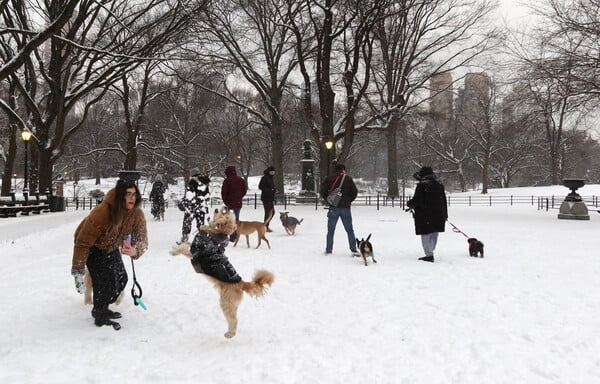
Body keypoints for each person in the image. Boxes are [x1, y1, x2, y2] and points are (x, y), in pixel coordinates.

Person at [70, 179, 148, 329]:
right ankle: (100, 314)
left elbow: (143, 240)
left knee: (121, 279)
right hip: (92, 246)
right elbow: (83, 242)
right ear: (120, 196)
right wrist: (78, 270)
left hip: (111, 245)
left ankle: (103, 306)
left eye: (134, 194)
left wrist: (136, 250)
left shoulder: (137, 214)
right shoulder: (103, 211)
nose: (132, 198)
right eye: (128, 194)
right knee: (103, 282)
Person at [406, 166, 448, 263]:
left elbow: (418, 200)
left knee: (426, 234)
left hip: (425, 215)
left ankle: (429, 255)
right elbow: (443, 201)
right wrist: (445, 215)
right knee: (434, 233)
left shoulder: (422, 186)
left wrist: (410, 203)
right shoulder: (439, 185)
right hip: (438, 214)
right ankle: (430, 251)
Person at [319, 163, 359, 255]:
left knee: (330, 230)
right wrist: (348, 200)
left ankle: (329, 249)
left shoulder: (329, 179)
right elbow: (354, 192)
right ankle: (353, 248)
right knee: (349, 229)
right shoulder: (348, 179)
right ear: (343, 170)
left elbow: (323, 191)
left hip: (334, 207)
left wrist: (329, 200)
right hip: (345, 207)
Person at [178, 171, 211, 244]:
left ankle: (185, 238)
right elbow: (207, 195)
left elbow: (189, 194)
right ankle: (202, 239)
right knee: (200, 223)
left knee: (187, 222)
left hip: (191, 207)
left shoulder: (192, 181)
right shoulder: (204, 182)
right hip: (201, 206)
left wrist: (185, 201)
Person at [221, 165, 248, 241]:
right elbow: (244, 190)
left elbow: (224, 193)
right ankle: (235, 235)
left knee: (228, 220)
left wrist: (226, 201)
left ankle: (229, 234)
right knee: (236, 220)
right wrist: (239, 197)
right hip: (238, 203)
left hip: (230, 204)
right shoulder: (240, 179)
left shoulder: (227, 181)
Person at [258, 165, 276, 232]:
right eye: (272, 171)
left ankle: (266, 225)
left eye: (274, 172)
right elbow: (260, 186)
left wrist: (274, 190)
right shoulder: (265, 178)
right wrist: (269, 190)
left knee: (272, 212)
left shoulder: (271, 178)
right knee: (268, 212)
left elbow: (271, 186)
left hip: (270, 198)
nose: (273, 173)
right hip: (266, 198)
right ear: (269, 172)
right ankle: (265, 226)